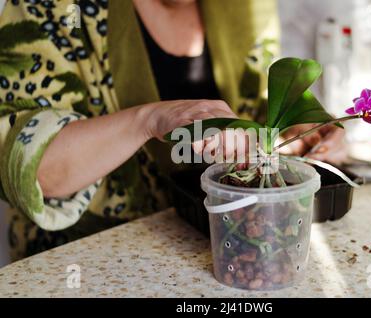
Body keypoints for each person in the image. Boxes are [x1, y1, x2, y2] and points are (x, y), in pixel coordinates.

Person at [0, 0, 344, 261]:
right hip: (87, 261)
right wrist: (147, 120)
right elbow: (33, 168)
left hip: (229, 247)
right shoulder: (56, 9)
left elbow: (257, 105)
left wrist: (300, 123)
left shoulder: (245, 8)